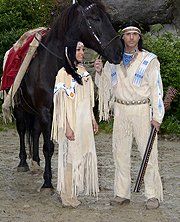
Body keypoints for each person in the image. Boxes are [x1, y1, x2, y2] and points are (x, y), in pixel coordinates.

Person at [94, 21, 164, 210]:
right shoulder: (113, 60)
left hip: (142, 110)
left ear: (139, 37)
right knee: (120, 154)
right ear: (122, 37)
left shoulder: (149, 60)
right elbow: (105, 88)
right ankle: (122, 193)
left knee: (148, 154)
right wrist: (100, 72)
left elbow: (157, 89)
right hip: (121, 111)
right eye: (128, 34)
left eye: (135, 34)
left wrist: (157, 116)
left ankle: (152, 195)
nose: (131, 37)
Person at [51, 41, 99, 208]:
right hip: (71, 121)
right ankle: (66, 195)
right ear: (69, 52)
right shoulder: (62, 74)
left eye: (82, 50)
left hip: (84, 121)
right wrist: (67, 126)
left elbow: (88, 99)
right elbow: (60, 104)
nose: (81, 53)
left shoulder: (83, 71)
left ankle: (73, 192)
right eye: (78, 50)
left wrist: (92, 119)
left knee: (80, 155)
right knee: (69, 157)